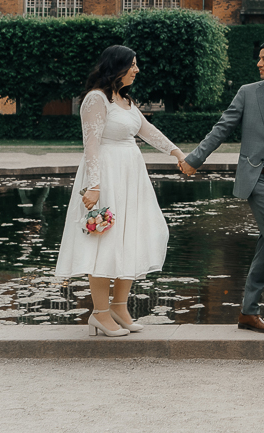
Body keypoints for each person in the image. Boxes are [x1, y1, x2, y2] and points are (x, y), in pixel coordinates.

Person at [178, 39, 264, 335]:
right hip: (255, 179)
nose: (259, 64)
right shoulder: (247, 93)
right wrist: (195, 159)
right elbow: (221, 128)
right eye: (259, 59)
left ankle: (248, 313)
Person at [55, 45, 189, 337]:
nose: (137, 70)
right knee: (104, 242)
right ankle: (100, 314)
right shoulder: (96, 99)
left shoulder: (125, 100)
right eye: (132, 65)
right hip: (106, 176)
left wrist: (177, 153)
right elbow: (91, 144)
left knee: (133, 237)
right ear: (116, 67)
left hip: (131, 177)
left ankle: (119, 306)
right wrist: (94, 186)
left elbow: (147, 130)